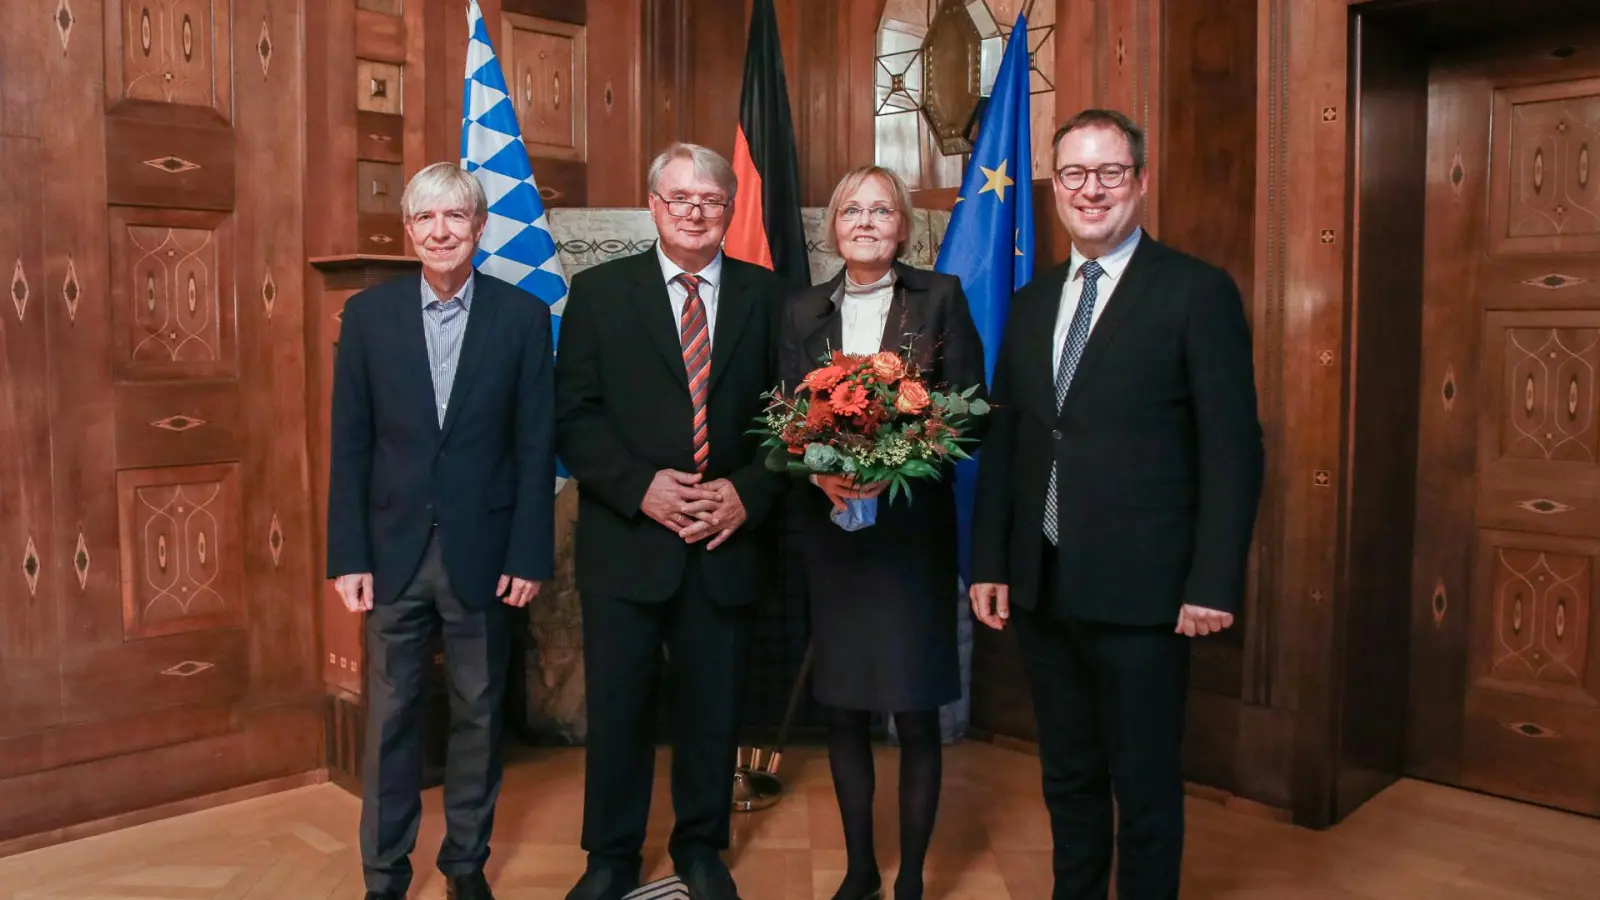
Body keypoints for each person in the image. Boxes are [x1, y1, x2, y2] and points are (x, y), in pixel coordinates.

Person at [969, 108, 1264, 900]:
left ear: (1138, 181)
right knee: (1066, 772)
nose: (1089, 190)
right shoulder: (1031, 303)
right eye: (1073, 174)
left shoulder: (1196, 292)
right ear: (1055, 187)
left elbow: (1234, 449)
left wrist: (1213, 581)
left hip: (1148, 591)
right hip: (1043, 583)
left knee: (1143, 783)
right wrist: (991, 561)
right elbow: (1013, 441)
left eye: (1108, 173)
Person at [554, 142, 790, 900]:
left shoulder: (771, 297)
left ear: (729, 211)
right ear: (653, 206)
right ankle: (611, 857)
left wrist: (750, 491)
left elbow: (790, 422)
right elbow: (574, 419)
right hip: (627, 539)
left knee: (712, 709)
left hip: (724, 539)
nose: (694, 210)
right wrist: (638, 488)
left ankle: (701, 848)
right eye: (679, 197)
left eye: (710, 200)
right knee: (618, 709)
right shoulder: (596, 293)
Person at [326, 161, 556, 900]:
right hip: (391, 556)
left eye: (455, 216)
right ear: (408, 231)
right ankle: (385, 874)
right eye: (425, 219)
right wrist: (347, 555)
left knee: (479, 716)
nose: (441, 231)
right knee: (390, 721)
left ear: (481, 227)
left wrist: (528, 550)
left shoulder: (521, 318)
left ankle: (464, 865)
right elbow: (350, 445)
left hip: (485, 556)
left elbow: (534, 447)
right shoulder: (368, 316)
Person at [777, 165, 983, 900]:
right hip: (836, 539)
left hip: (910, 541)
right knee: (844, 707)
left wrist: (900, 457)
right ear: (834, 225)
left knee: (915, 708)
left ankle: (915, 877)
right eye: (852, 210)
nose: (865, 221)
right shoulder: (802, 310)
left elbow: (967, 411)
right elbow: (782, 421)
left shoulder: (941, 298)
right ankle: (861, 867)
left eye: (881, 210)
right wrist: (818, 473)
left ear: (902, 226)